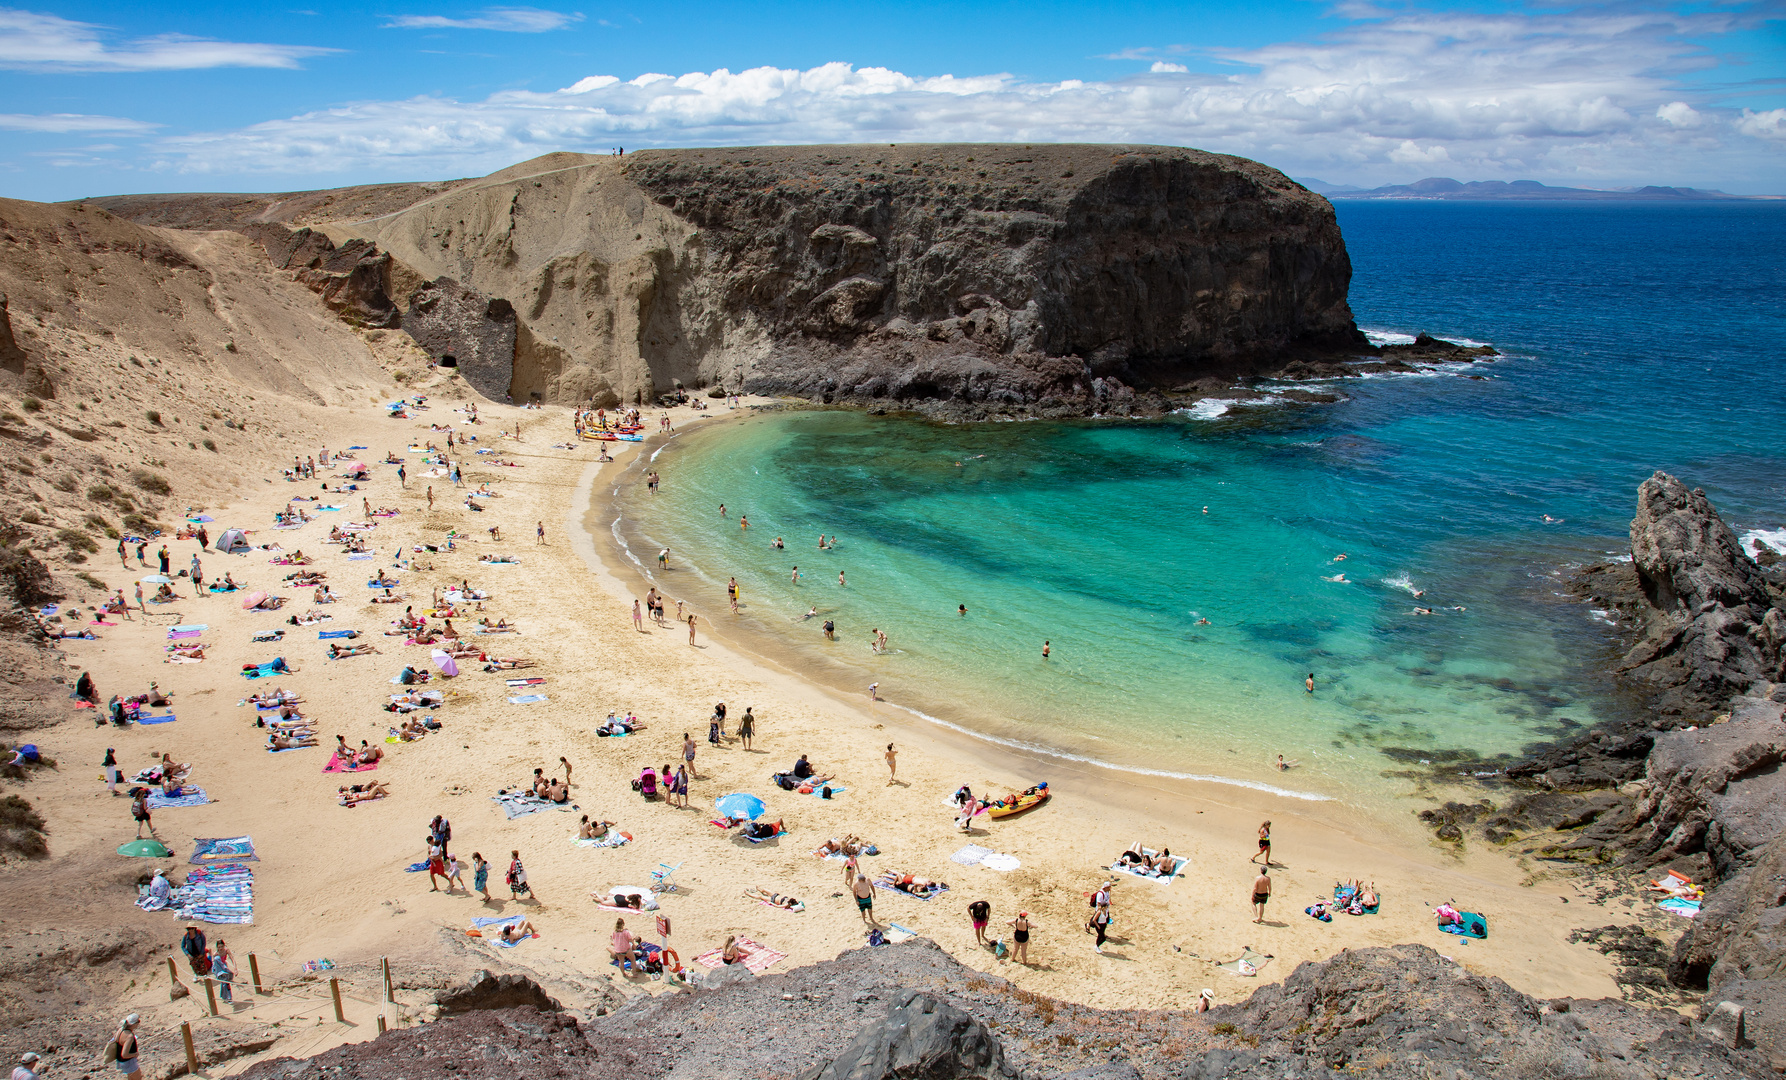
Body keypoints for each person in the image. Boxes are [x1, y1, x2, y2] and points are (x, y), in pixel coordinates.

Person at [105, 1015, 142, 1080]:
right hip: (129, 1063)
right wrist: (135, 1054)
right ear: (134, 1024)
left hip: (121, 1062)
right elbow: (124, 1054)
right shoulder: (129, 1036)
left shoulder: (120, 1030)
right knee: (138, 1078)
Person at [212, 938, 236, 1003]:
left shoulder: (226, 951)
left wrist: (235, 969)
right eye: (219, 947)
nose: (220, 948)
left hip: (224, 967)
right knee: (225, 982)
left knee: (226, 983)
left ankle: (227, 997)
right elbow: (214, 965)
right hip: (219, 969)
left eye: (221, 946)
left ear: (224, 946)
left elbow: (232, 959)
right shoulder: (215, 954)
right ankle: (228, 998)